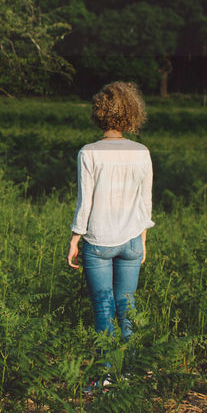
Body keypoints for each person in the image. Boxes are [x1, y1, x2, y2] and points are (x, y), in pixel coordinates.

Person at [66, 81, 153, 356]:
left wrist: (74, 239)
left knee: (104, 309)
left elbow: (85, 202)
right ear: (131, 112)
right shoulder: (142, 152)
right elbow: (145, 203)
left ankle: (106, 375)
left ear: (99, 113)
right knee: (127, 307)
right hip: (132, 242)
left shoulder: (89, 152)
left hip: (99, 241)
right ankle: (129, 372)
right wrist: (143, 241)